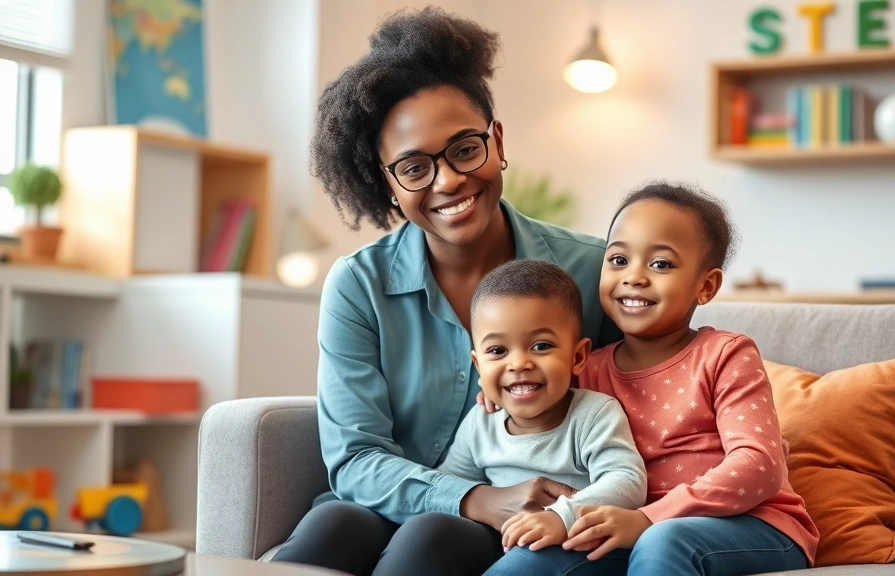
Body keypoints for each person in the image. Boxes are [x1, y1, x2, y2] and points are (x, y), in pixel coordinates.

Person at [270, 7, 619, 576]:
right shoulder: (359, 285)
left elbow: (647, 389)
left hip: (527, 521)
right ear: (386, 181)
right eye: (413, 168)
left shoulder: (590, 270)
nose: (449, 181)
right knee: (332, 524)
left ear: (496, 141)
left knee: (430, 539)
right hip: (386, 503)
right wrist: (472, 497)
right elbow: (355, 458)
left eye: (464, 149)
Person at [486, 182, 819, 576]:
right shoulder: (585, 370)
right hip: (628, 526)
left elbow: (759, 464)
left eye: (660, 264)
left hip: (754, 524)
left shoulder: (726, 354)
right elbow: (536, 411)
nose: (634, 277)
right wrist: (502, 393)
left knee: (664, 540)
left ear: (706, 286)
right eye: (618, 259)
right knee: (529, 559)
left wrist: (650, 518)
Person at [439, 260, 646, 559]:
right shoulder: (480, 422)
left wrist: (562, 517)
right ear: (478, 365)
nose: (518, 364)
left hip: (572, 547)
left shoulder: (594, 414)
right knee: (428, 533)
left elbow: (627, 481)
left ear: (577, 357)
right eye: (497, 351)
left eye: (540, 346)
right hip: (499, 542)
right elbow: (451, 484)